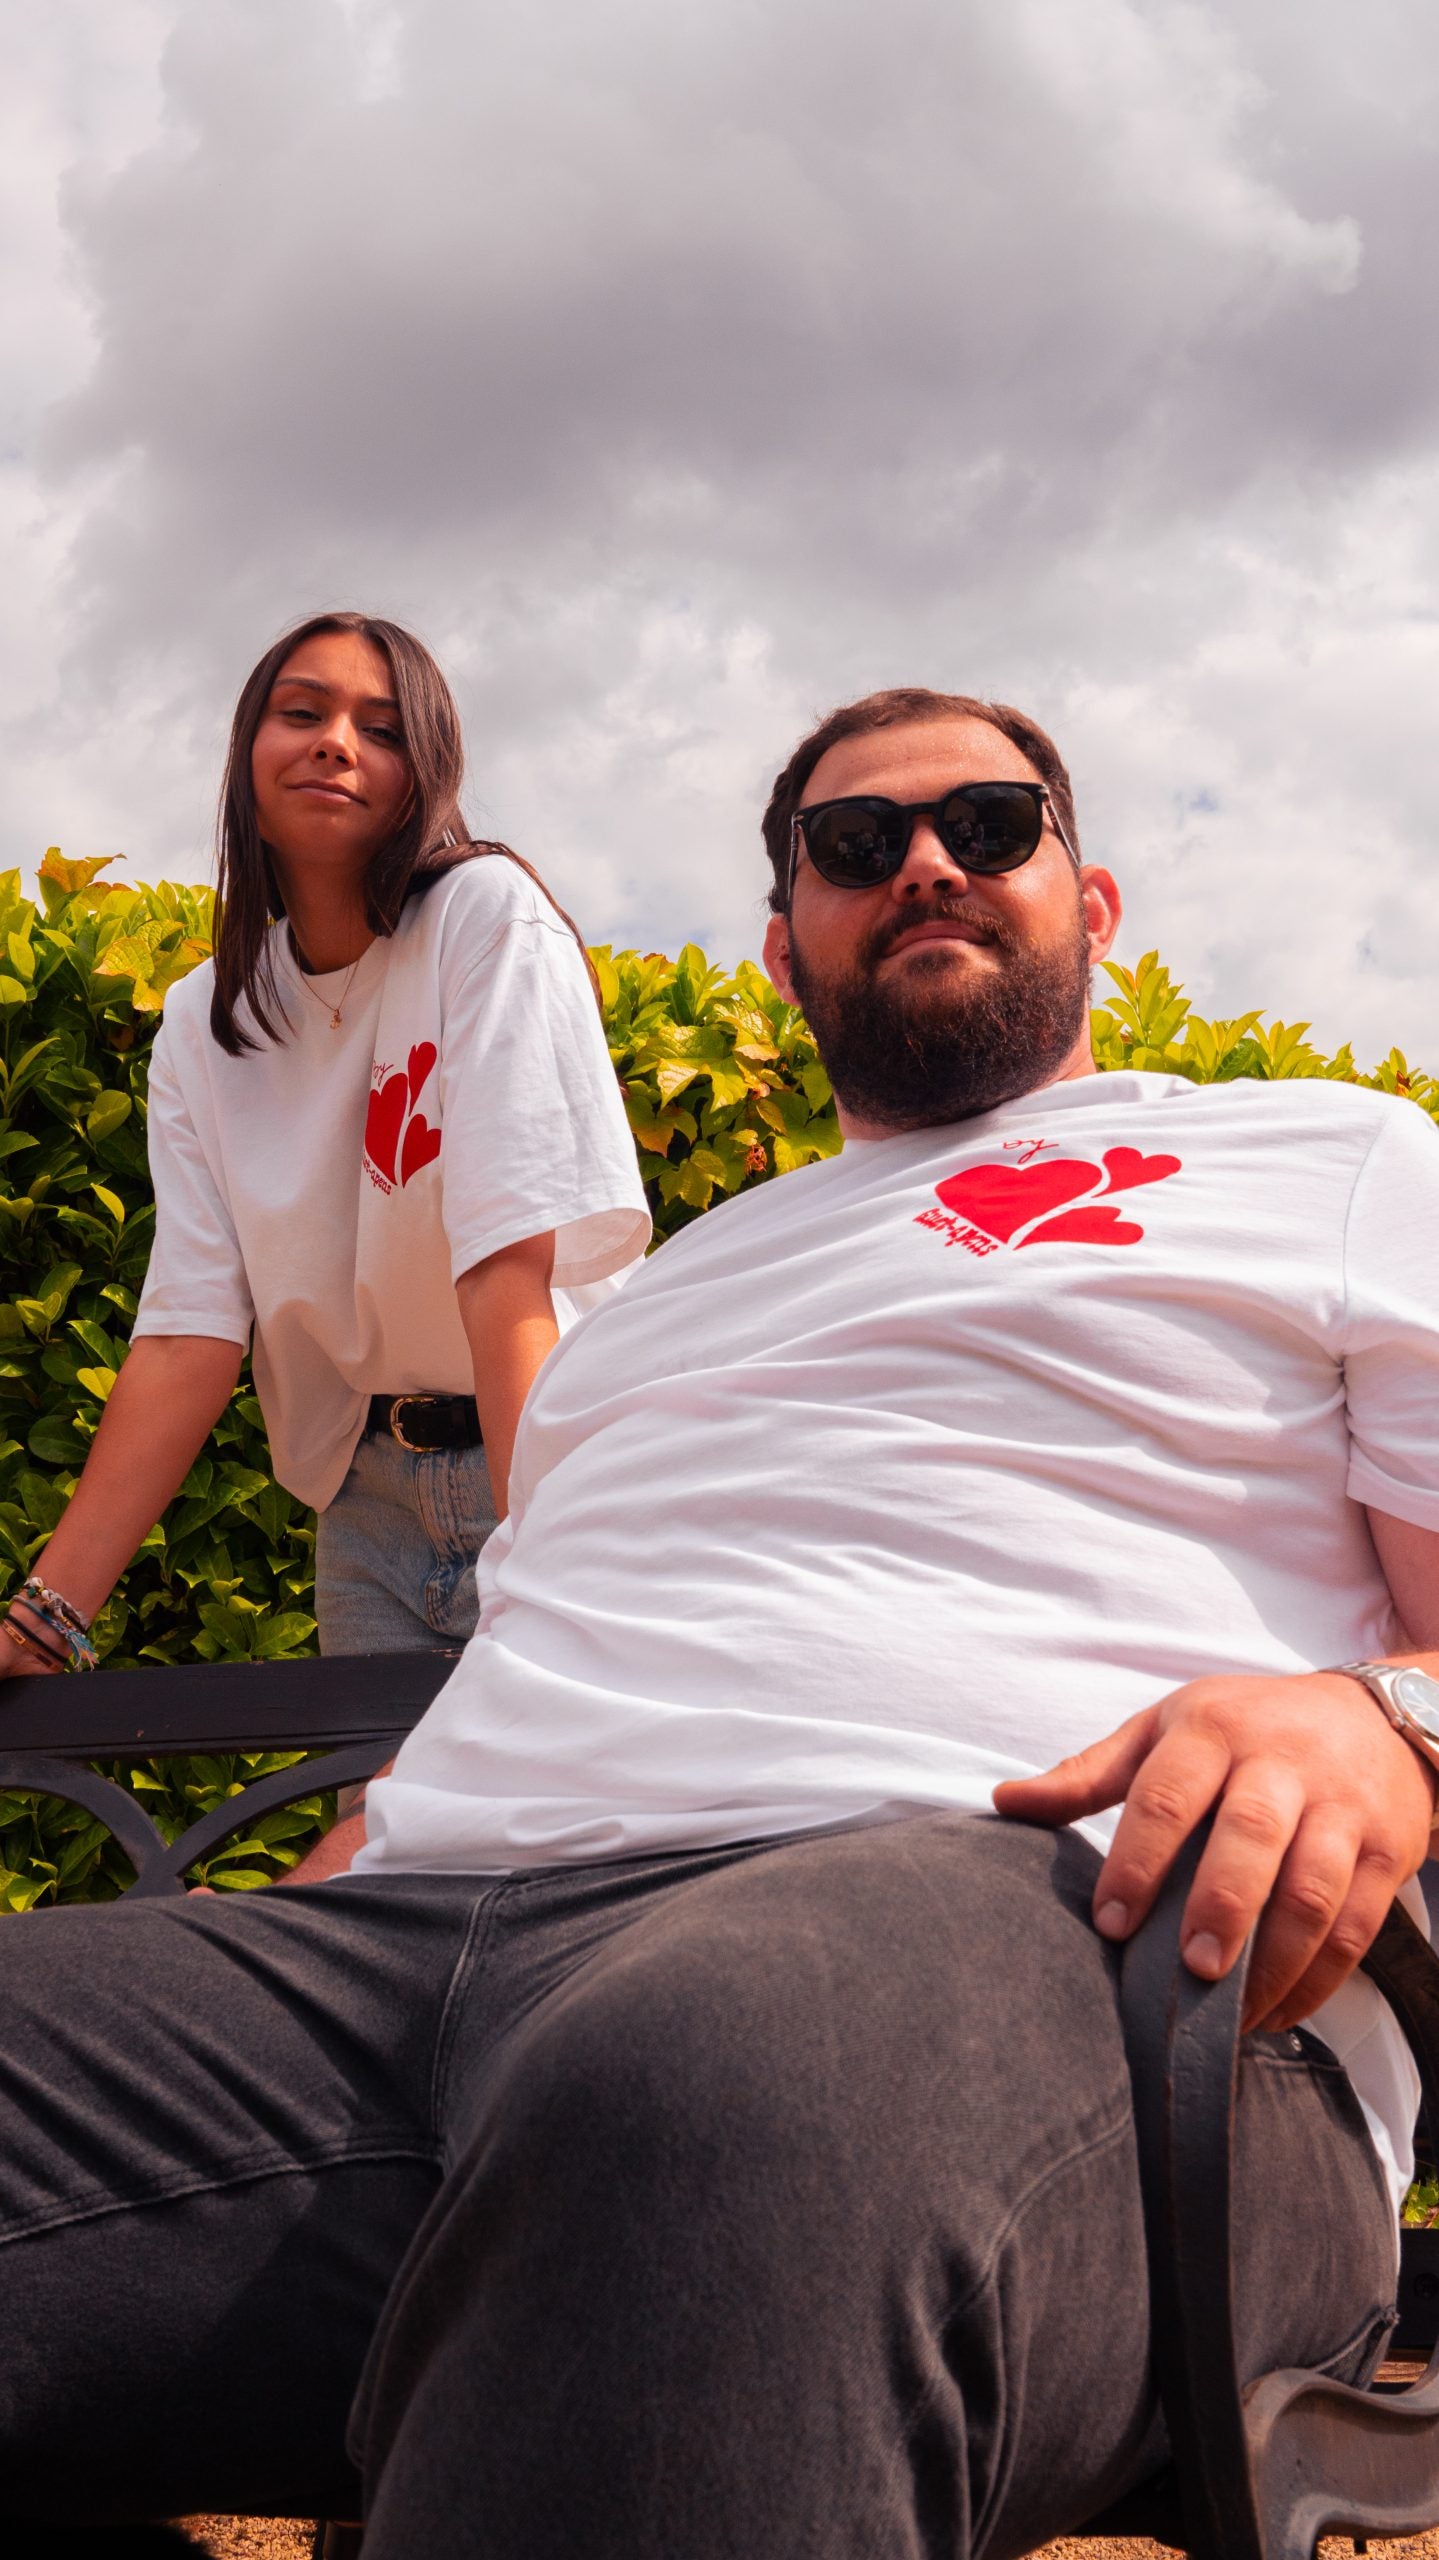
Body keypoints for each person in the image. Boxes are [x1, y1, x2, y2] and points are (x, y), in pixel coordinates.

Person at [3, 687, 1438, 2560]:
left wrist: (1379, 1716)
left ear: (1091, 906)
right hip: (417, 1962)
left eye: (987, 826)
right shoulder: (670, 1293)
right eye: (851, 847)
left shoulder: (1328, 1166)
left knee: (717, 2080)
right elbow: (556, 1634)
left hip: (1057, 1951)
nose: (922, 861)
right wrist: (378, 1830)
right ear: (784, 951)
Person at [0, 611, 648, 1678]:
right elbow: (187, 1335)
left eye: (383, 729)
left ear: (426, 773)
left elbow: (503, 1267)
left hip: (555, 1463)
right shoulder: (205, 1019)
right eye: (300, 712)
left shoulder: (485, 917)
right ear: (247, 753)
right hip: (366, 1505)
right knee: (374, 1828)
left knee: (511, 1835)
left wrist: (547, 1551)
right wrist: (42, 1619)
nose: (336, 742)